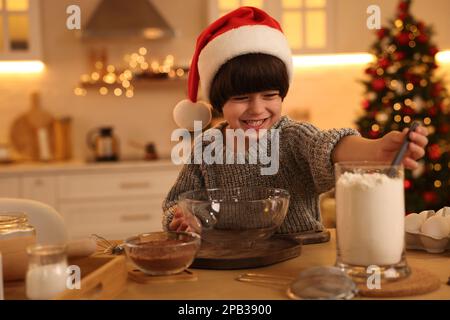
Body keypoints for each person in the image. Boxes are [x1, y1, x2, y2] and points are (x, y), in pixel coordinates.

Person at [162, 6, 428, 234]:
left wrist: (375, 149)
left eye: (270, 95)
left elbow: (327, 146)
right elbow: (175, 203)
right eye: (242, 97)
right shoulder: (207, 147)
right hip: (230, 265)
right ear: (220, 103)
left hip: (301, 258)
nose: (257, 109)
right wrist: (180, 219)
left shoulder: (293, 137)